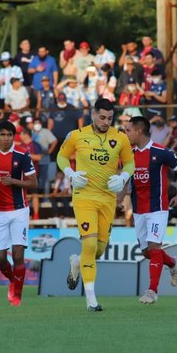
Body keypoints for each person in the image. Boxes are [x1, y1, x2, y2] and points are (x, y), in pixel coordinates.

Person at [57, 99, 135, 311]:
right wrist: (70, 174)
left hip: (108, 199)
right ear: (93, 114)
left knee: (98, 250)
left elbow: (130, 162)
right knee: (90, 246)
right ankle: (91, 299)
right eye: (102, 117)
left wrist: (124, 177)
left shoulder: (120, 138)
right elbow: (61, 156)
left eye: (110, 118)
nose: (105, 122)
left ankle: (76, 262)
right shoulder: (77, 135)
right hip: (84, 197)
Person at [123, 116, 177, 304]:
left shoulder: (161, 152)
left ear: (139, 131)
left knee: (154, 247)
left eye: (128, 130)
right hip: (138, 209)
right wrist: (119, 199)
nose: (126, 134)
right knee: (146, 252)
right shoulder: (129, 153)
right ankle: (172, 262)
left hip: (158, 208)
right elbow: (126, 179)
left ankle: (152, 291)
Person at [0, 121, 38, 306]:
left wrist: (13, 181)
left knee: (18, 255)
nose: (6, 138)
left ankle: (17, 296)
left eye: (10, 135)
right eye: (3, 135)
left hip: (19, 210)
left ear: (14, 136)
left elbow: (33, 183)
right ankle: (13, 280)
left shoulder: (22, 155)